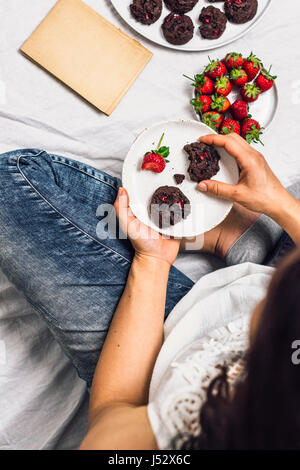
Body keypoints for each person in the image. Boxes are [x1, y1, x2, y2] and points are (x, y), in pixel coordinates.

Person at [0, 133, 300, 450]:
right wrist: (280, 203)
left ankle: (254, 241)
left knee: (11, 186)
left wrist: (152, 263)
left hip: (160, 353)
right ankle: (252, 241)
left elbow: (110, 417)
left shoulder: (205, 427)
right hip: (260, 287)